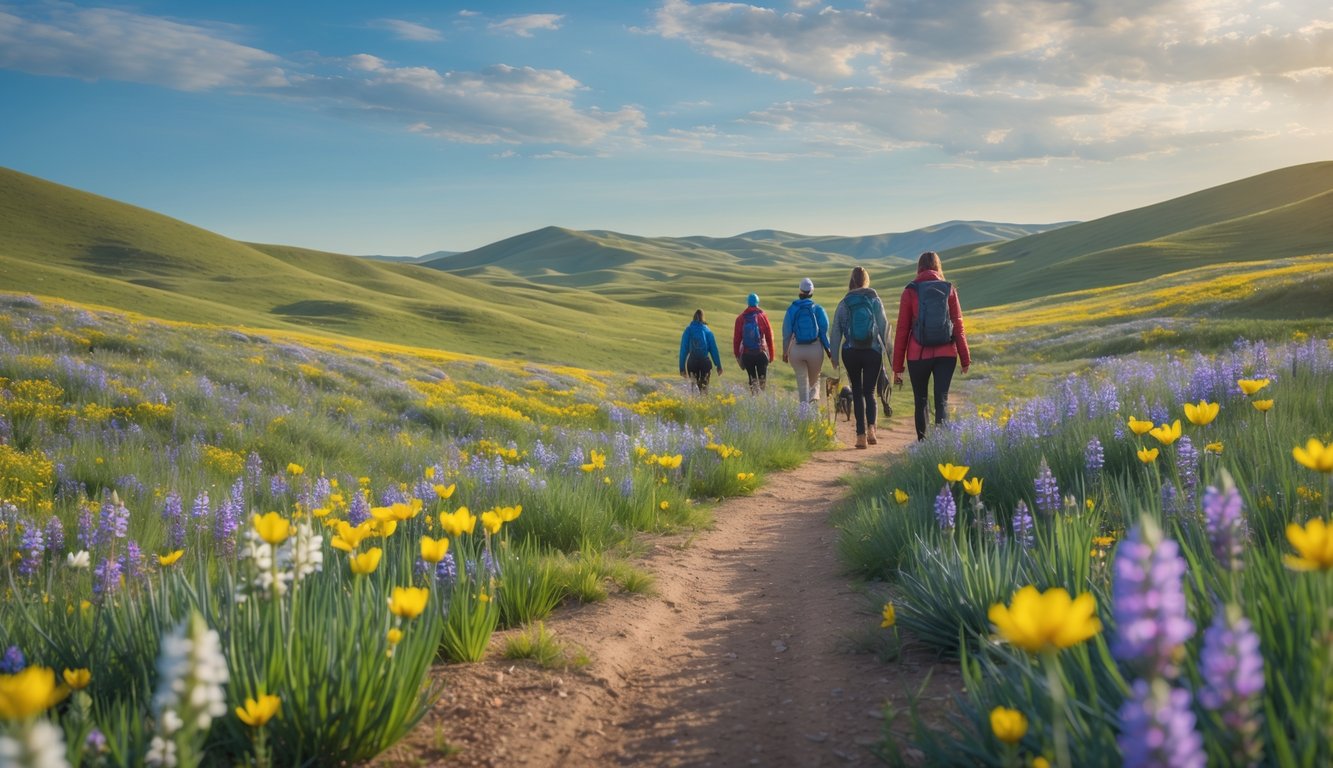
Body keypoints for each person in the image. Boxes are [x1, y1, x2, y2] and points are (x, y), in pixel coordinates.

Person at [891, 251, 971, 441]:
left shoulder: (910, 291)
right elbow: (958, 325)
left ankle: (923, 446)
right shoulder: (949, 289)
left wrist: (897, 367)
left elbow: (902, 330)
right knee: (941, 400)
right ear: (938, 267)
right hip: (946, 354)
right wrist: (965, 358)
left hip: (918, 355)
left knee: (921, 401)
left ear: (919, 268)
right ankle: (941, 445)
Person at [830, 267, 890, 449]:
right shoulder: (875, 299)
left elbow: (836, 330)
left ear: (852, 281)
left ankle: (860, 436)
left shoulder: (844, 302)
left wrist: (834, 357)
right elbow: (884, 327)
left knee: (856, 392)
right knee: (870, 392)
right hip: (873, 351)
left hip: (850, 351)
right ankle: (872, 429)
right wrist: (890, 353)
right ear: (866, 280)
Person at [781, 277, 832, 406]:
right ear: (811, 292)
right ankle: (814, 401)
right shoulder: (818, 309)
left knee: (802, 381)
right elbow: (823, 332)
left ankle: (804, 411)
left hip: (797, 350)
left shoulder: (792, 309)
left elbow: (787, 334)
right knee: (814, 381)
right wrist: (829, 350)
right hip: (815, 349)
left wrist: (785, 352)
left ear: (800, 291)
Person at [733, 293, 776, 394]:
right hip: (761, 353)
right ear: (757, 302)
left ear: (747, 303)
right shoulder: (762, 316)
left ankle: (754, 399)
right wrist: (771, 354)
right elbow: (769, 336)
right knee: (762, 381)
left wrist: (737, 356)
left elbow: (736, 339)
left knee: (752, 380)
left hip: (747, 355)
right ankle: (761, 402)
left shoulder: (740, 318)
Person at [679, 309, 722, 393]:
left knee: (694, 389)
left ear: (693, 318)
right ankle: (704, 403)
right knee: (704, 389)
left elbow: (683, 350)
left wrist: (682, 368)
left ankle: (694, 404)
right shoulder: (707, 331)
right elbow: (714, 349)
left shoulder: (688, 330)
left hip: (692, 362)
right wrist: (718, 365)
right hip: (705, 362)